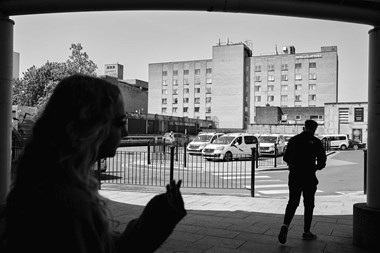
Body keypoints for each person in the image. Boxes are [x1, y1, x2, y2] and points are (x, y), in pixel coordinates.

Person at [0, 74, 186, 253]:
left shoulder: (45, 186)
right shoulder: (70, 204)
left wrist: (157, 217)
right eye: (120, 122)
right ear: (91, 125)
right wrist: (155, 221)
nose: (125, 133)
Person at [278, 119, 326, 244]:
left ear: (304, 127)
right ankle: (306, 232)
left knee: (293, 202)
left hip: (294, 176)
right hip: (309, 177)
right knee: (309, 204)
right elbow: (322, 162)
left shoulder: (294, 140)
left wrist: (293, 164)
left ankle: (285, 225)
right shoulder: (316, 142)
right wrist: (314, 167)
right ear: (314, 129)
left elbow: (286, 157)